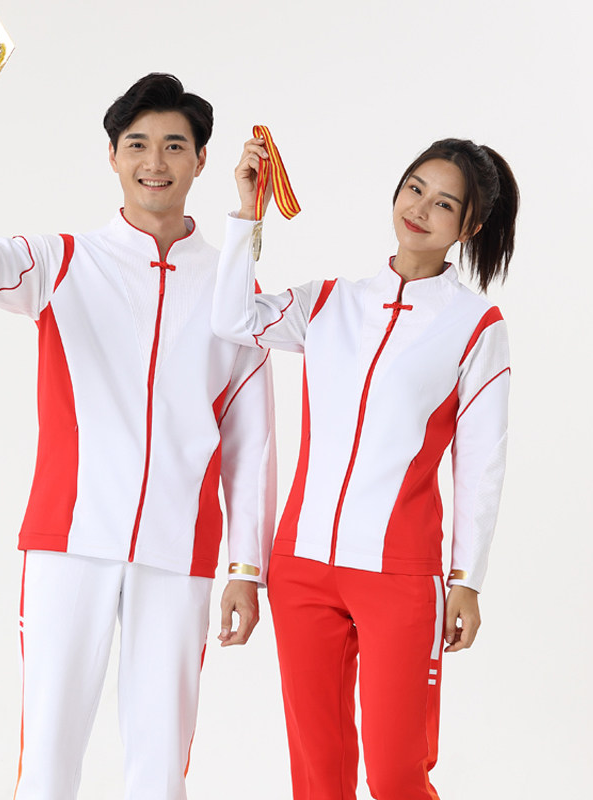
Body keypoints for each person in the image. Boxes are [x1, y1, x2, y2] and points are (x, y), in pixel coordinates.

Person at [0, 73, 276, 800]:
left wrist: (247, 566)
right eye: (136, 144)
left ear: (201, 160)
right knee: (49, 758)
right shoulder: (63, 260)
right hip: (68, 540)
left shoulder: (232, 288)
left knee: (160, 764)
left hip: (178, 550)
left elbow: (252, 441)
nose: (155, 162)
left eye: (174, 145)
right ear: (112, 156)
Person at [212, 136, 519, 799]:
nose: (421, 210)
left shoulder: (476, 325)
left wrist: (466, 579)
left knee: (396, 773)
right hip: (301, 568)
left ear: (468, 227)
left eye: (445, 204)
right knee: (318, 773)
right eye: (415, 189)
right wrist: (247, 214)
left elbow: (482, 462)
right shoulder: (330, 301)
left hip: (400, 575)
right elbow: (233, 318)